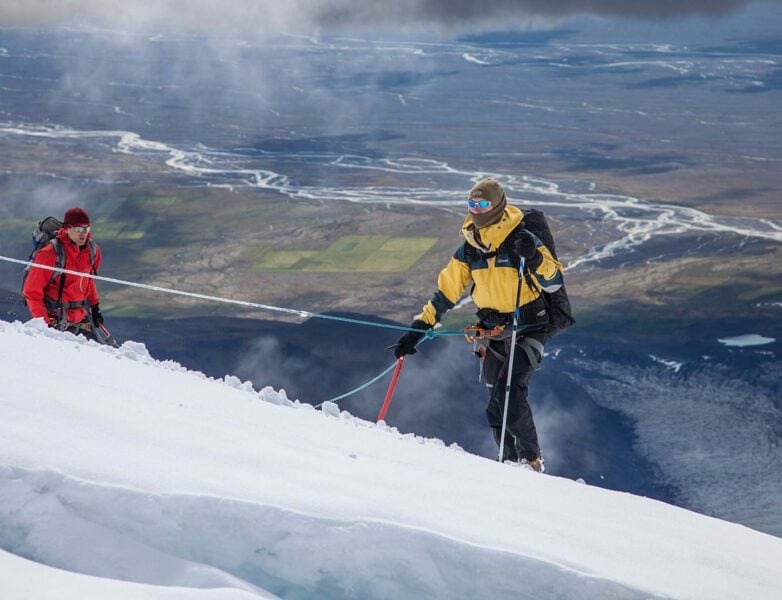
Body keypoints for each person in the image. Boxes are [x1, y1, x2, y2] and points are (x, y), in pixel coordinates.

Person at [392, 178, 563, 472]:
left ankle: (530, 460)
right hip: (492, 329)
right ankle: (508, 462)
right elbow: (445, 293)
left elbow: (553, 281)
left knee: (508, 394)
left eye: (482, 204)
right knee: (495, 403)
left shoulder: (522, 238)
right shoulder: (470, 248)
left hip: (529, 325)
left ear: (497, 205)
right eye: (471, 205)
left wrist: (534, 257)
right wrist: (418, 329)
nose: (476, 210)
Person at [23, 207, 104, 341]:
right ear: (67, 228)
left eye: (87, 228)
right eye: (78, 229)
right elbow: (31, 291)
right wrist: (45, 325)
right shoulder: (49, 254)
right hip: (55, 319)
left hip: (81, 318)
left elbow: (87, 280)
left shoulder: (93, 251)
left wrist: (95, 306)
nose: (83, 233)